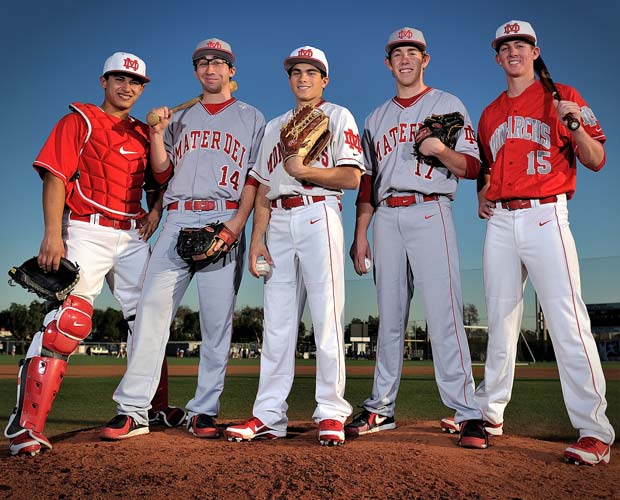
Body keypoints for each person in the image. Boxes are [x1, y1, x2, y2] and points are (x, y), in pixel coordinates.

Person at [4, 52, 184, 457]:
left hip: (132, 234)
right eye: (119, 78)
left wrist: (154, 211)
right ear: (104, 81)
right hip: (86, 229)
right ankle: (26, 426)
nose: (127, 87)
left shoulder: (144, 132)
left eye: (136, 82)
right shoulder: (78, 121)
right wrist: (53, 234)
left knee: (152, 319)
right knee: (68, 322)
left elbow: (159, 182)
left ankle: (152, 408)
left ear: (143, 88)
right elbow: (55, 177)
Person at [100, 38, 265, 440]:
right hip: (176, 217)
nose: (210, 69)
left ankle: (204, 410)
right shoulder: (179, 118)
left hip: (223, 217)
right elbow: (160, 171)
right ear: (196, 72)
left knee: (216, 323)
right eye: (202, 63)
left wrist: (236, 227)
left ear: (231, 71)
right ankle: (134, 409)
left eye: (219, 62)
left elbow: (254, 180)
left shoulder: (252, 118)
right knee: (150, 314)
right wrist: (156, 133)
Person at [467, 19, 613, 465]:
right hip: (502, 223)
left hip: (547, 213)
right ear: (497, 57)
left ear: (535, 51)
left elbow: (597, 160)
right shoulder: (490, 112)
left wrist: (577, 128)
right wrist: (480, 194)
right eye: (505, 45)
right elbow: (486, 168)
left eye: (521, 44)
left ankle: (594, 430)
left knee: (568, 319)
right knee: (501, 319)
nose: (513, 50)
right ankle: (489, 414)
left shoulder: (564, 97)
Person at [345, 27, 487, 449]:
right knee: (389, 318)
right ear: (388, 64)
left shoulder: (448, 104)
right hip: (386, 216)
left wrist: (440, 150)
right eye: (397, 54)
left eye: (413, 52)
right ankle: (380, 407)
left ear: (425, 60)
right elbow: (367, 183)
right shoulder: (374, 118)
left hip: (430, 210)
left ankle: (468, 412)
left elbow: (473, 167)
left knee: (444, 314)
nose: (405, 59)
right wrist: (360, 235)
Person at [224, 46, 364, 446]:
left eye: (311, 72)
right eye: (296, 72)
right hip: (280, 221)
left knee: (327, 317)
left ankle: (332, 412)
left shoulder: (338, 116)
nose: (303, 78)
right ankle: (268, 415)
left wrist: (308, 171)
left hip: (320, 213)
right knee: (278, 325)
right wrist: (257, 239)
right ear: (289, 79)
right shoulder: (274, 127)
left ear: (324, 79)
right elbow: (265, 188)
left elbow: (353, 177)